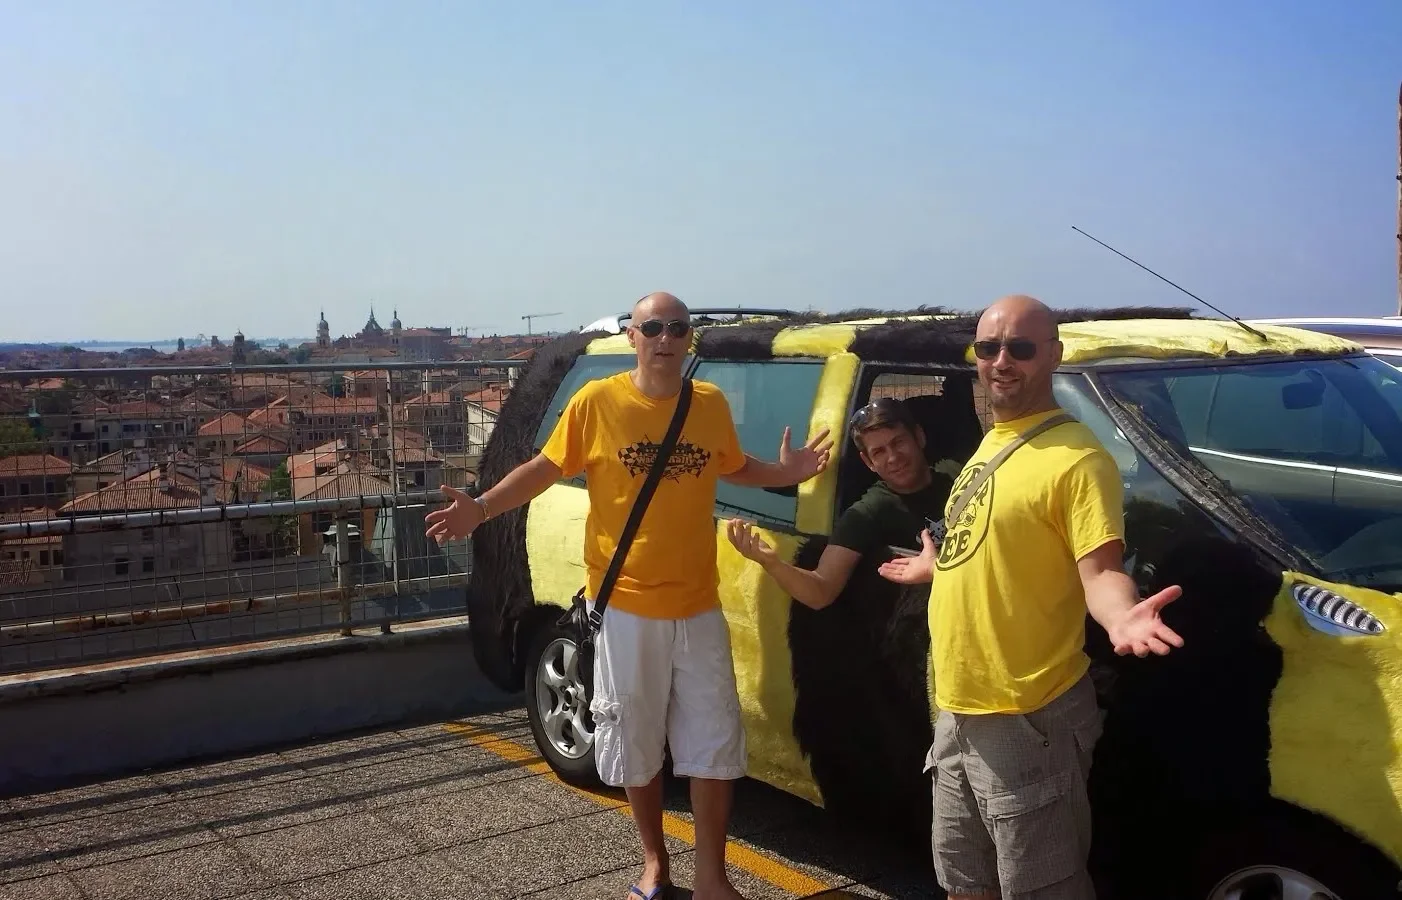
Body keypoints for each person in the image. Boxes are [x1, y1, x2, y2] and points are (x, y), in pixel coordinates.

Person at [425, 292, 833, 900]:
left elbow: (730, 464)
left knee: (713, 742)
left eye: (677, 328)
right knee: (633, 740)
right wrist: (481, 508)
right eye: (653, 328)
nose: (665, 338)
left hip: (698, 604)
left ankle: (712, 878)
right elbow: (545, 468)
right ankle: (654, 863)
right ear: (632, 336)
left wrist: (786, 473)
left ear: (688, 338)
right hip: (627, 608)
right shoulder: (598, 402)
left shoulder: (709, 403)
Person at [880, 295, 1185, 899]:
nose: (1001, 361)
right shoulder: (994, 442)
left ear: (1053, 355)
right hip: (958, 711)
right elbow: (1000, 542)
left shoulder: (1078, 459)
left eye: (1019, 348)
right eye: (988, 347)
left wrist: (1122, 615)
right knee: (964, 880)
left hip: (1027, 717)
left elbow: (1099, 570)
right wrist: (939, 567)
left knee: (1043, 887)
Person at [725, 395, 953, 609]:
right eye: (879, 452)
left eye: (898, 442)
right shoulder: (869, 513)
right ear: (868, 462)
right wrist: (773, 564)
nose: (893, 457)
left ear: (919, 437)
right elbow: (821, 590)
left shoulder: (958, 477)